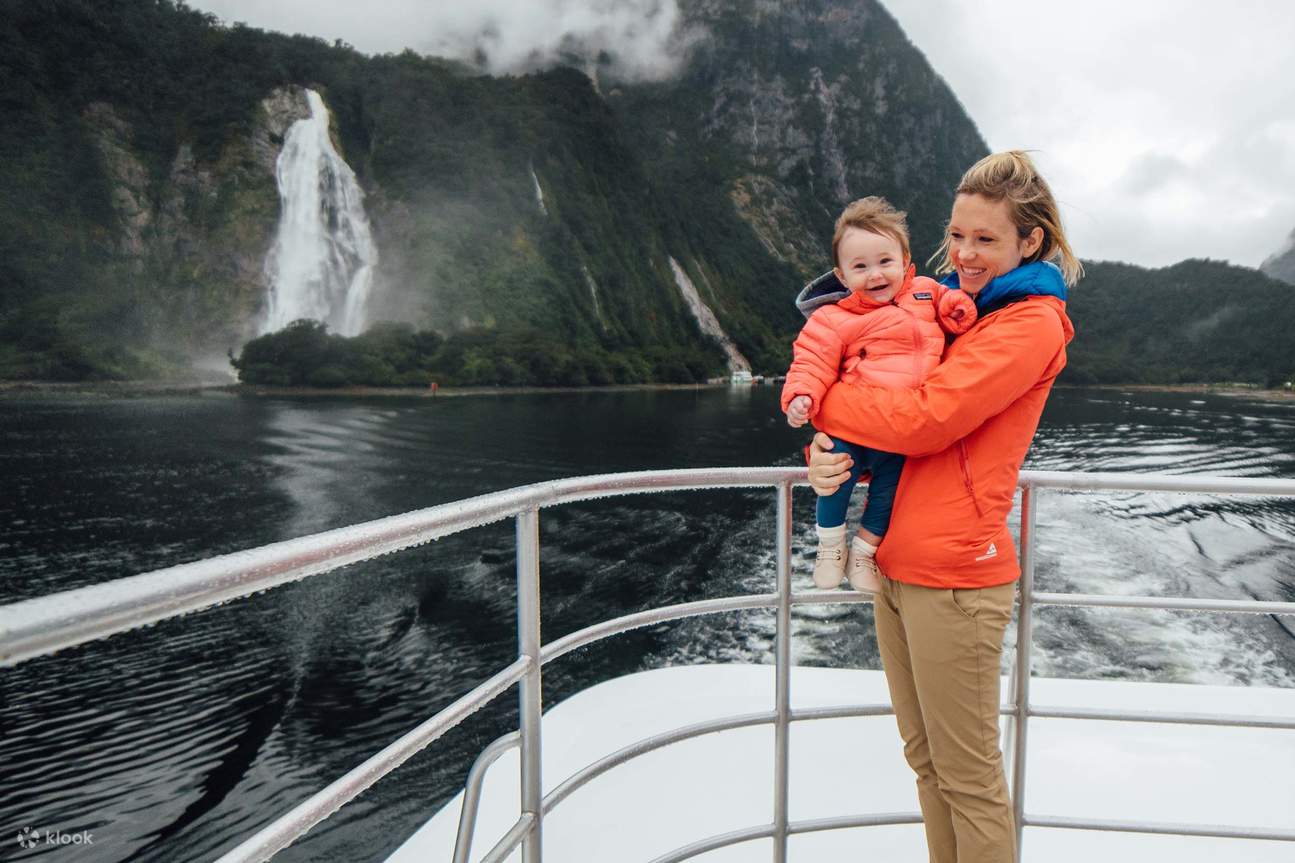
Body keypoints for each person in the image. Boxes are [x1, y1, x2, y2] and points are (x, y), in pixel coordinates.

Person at [806, 150, 1080, 863]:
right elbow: (883, 395)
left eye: (985, 238)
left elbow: (925, 419)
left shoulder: (1030, 323)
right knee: (927, 763)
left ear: (1030, 241)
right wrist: (828, 451)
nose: (963, 253)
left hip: (956, 575)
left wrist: (819, 402)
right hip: (894, 560)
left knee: (968, 777)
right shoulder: (950, 312)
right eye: (956, 234)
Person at [780, 197, 977, 592]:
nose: (875, 274)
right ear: (841, 275)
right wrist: (801, 395)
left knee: (889, 494)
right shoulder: (833, 318)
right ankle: (830, 547)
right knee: (835, 482)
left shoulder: (927, 293)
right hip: (855, 426)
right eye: (860, 267)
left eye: (885, 262)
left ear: (905, 261)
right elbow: (812, 360)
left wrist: (959, 309)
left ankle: (864, 553)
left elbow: (950, 301)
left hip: (900, 435)